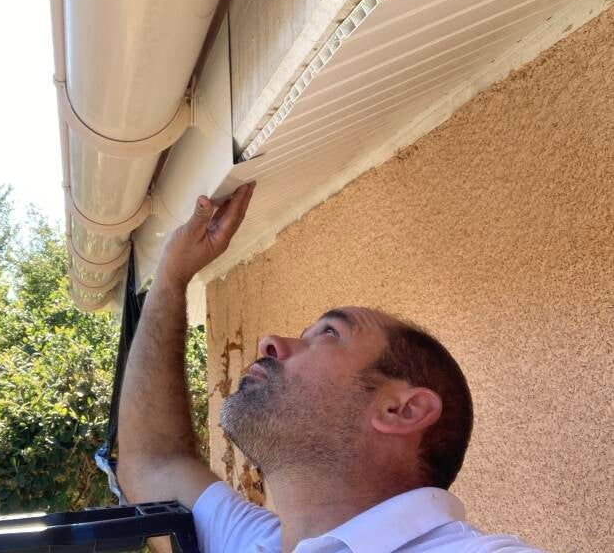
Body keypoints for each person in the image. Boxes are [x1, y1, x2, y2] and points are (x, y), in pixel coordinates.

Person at [117, 184, 543, 553]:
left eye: (329, 335)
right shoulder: (253, 543)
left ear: (402, 410)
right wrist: (172, 276)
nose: (270, 342)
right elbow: (154, 461)